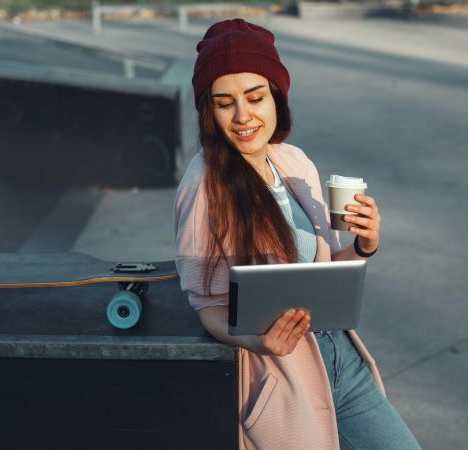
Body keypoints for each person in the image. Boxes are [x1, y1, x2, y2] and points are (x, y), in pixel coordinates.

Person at [173, 19, 421, 449]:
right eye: (224, 103)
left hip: (343, 361)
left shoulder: (294, 162)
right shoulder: (203, 185)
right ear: (208, 111)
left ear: (276, 97)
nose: (243, 116)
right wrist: (257, 341)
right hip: (283, 377)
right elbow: (207, 306)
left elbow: (325, 275)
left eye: (255, 97)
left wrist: (365, 244)